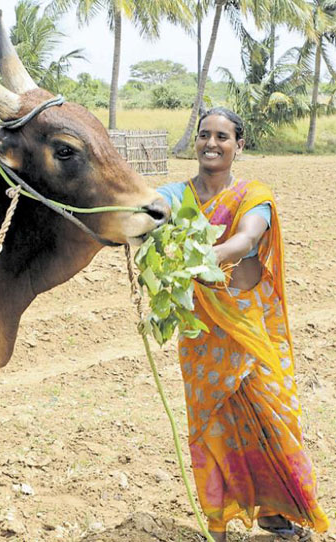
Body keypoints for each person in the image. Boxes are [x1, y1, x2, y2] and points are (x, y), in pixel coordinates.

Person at [157, 107, 329, 541]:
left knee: (276, 418)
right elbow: (148, 209)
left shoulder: (254, 194)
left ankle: (276, 511)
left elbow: (246, 239)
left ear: (239, 144)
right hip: (203, 334)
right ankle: (218, 521)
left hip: (252, 327)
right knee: (213, 425)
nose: (211, 144)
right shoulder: (177, 195)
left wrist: (203, 257)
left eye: (222, 137)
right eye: (204, 136)